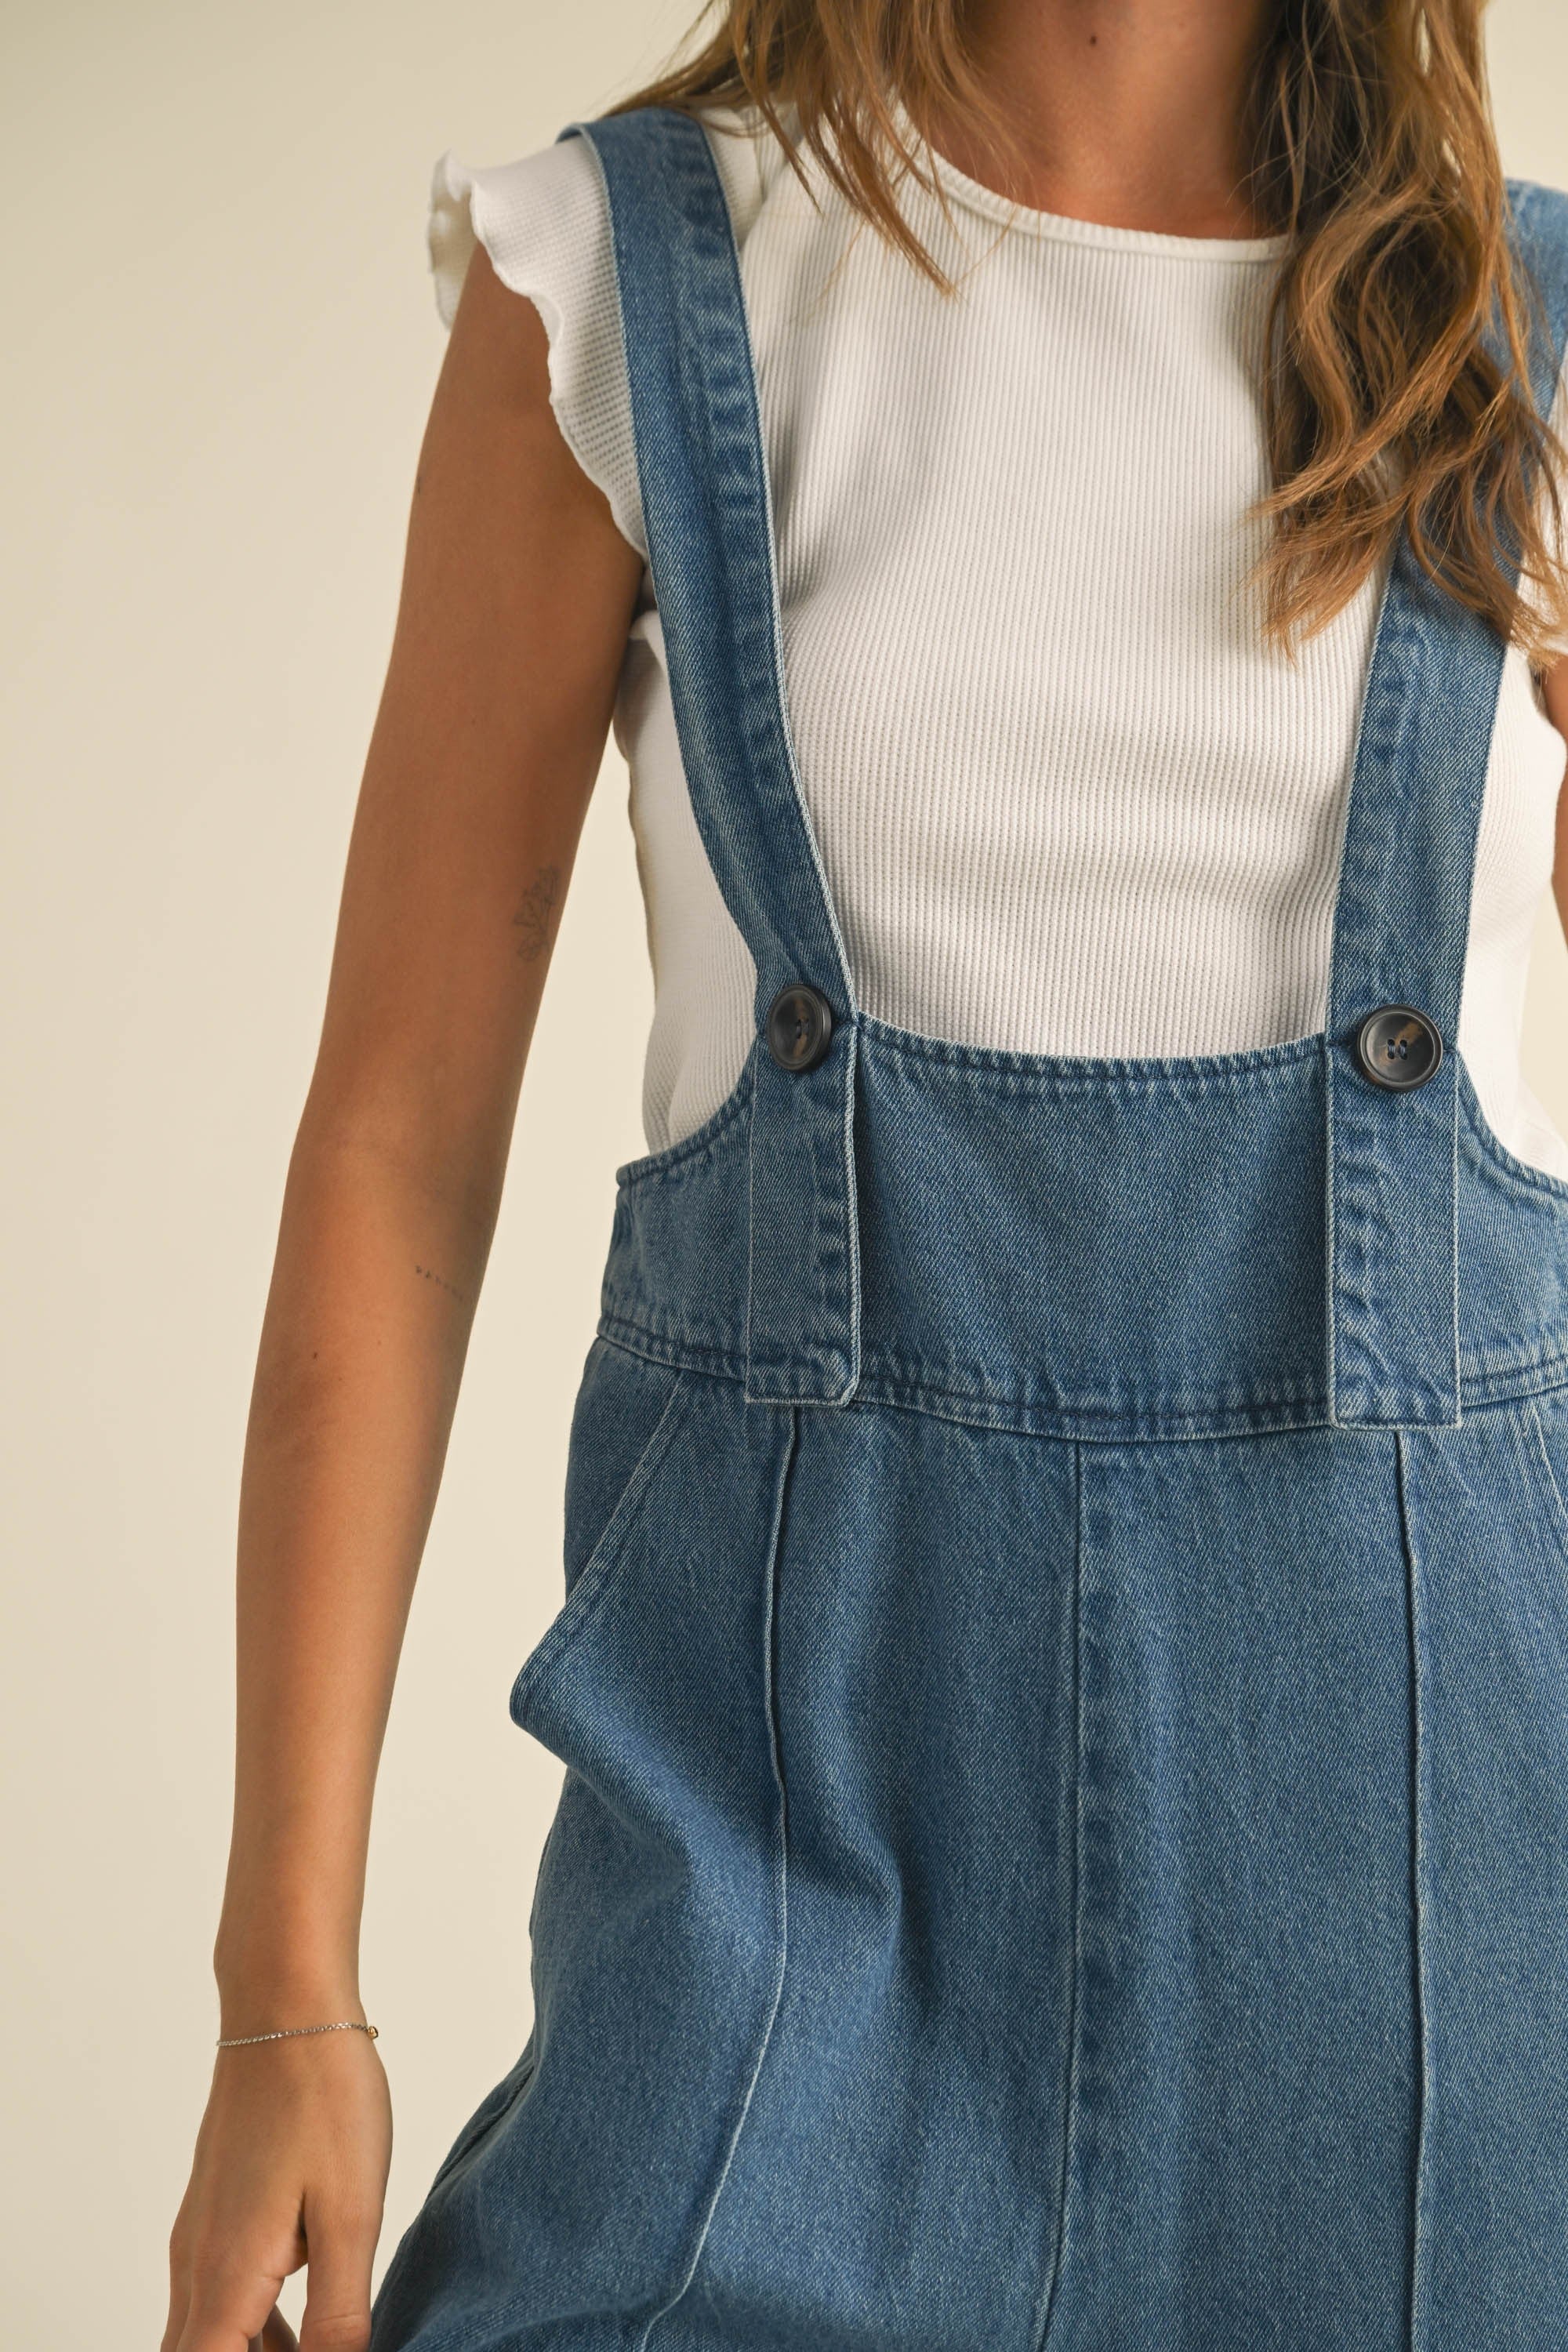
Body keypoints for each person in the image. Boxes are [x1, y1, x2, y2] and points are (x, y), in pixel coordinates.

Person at [162, 2, 1568, 2347]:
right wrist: (281, 1993)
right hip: (781, 1913)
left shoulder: (1514, 347)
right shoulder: (624, 287)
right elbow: (399, 1145)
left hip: (1445, 1967)